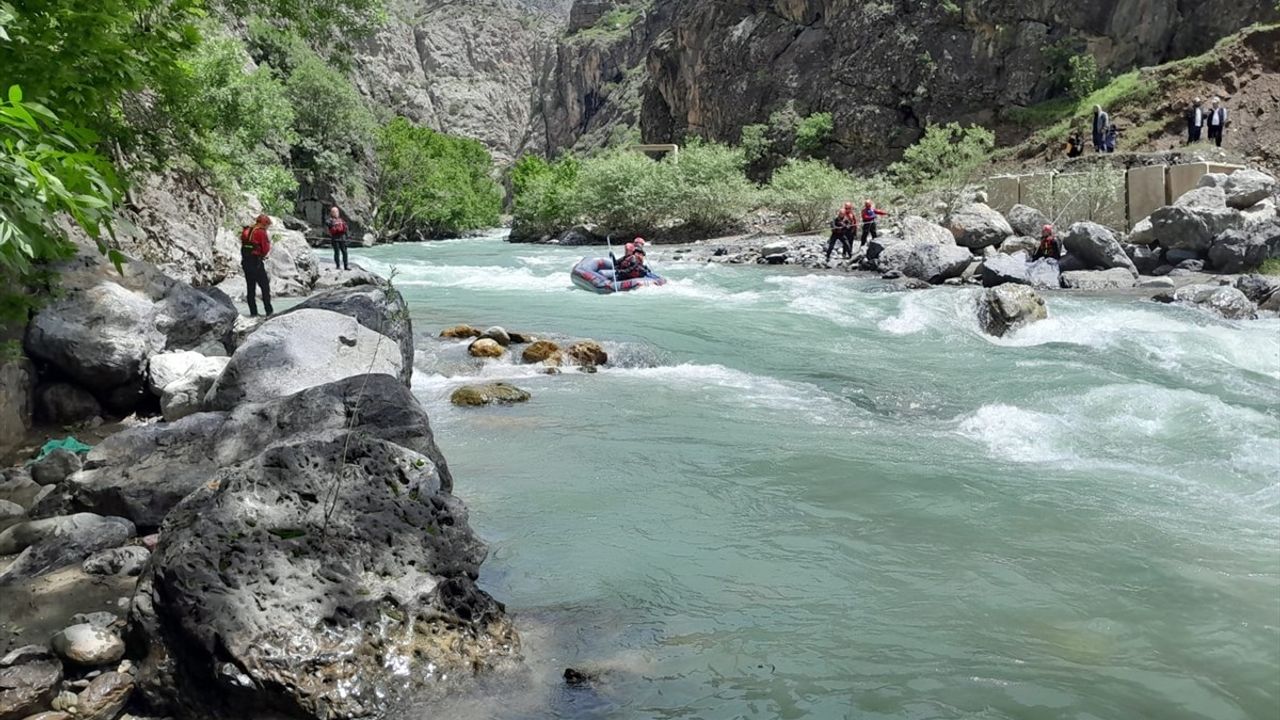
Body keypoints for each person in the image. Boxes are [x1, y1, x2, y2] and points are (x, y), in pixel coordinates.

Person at [240, 214, 273, 317]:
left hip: (246, 262)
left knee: (251, 288)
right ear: (265, 223)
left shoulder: (247, 230)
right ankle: (269, 311)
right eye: (267, 225)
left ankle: (253, 313)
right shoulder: (261, 232)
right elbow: (265, 249)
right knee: (265, 287)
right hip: (256, 263)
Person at [325, 206, 350, 271]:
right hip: (335, 239)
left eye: (336, 212)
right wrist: (333, 223)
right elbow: (328, 224)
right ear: (331, 213)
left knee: (345, 252)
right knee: (337, 252)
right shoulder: (329, 220)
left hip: (343, 238)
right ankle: (338, 266)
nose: (336, 213)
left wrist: (347, 238)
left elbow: (346, 228)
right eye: (334, 212)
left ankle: (346, 266)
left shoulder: (341, 220)